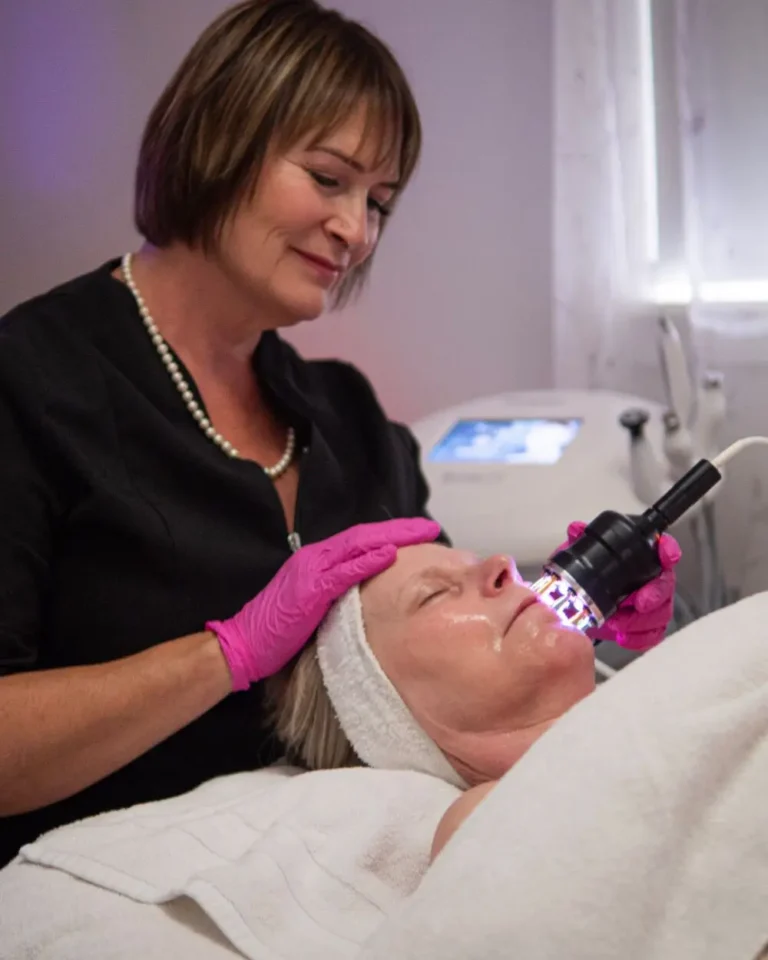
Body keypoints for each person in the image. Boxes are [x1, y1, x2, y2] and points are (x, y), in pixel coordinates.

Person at [0, 0, 679, 868]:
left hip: (341, 873)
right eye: (328, 179)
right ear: (219, 137)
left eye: (379, 203)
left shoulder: (349, 417)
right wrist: (229, 654)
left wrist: (572, 617)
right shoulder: (32, 384)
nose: (356, 232)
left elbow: (438, 656)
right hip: (113, 894)